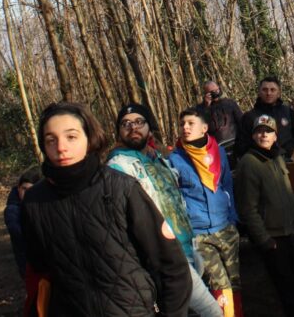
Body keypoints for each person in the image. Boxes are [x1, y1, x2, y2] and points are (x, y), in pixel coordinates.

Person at [20, 101, 190, 317]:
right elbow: (39, 269)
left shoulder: (122, 188)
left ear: (89, 138)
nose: (61, 147)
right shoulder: (34, 202)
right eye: (51, 140)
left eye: (71, 137)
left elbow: (172, 266)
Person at [107, 103, 221, 317]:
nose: (133, 127)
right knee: (213, 313)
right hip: (166, 258)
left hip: (189, 249)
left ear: (149, 128)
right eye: (126, 124)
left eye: (139, 122)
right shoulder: (117, 167)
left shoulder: (159, 160)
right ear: (119, 132)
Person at [169, 107, 244, 317]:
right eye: (182, 124)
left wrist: (232, 219)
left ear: (204, 128)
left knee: (235, 282)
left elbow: (227, 185)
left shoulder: (218, 152)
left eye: (190, 123)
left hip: (225, 228)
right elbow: (174, 198)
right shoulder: (175, 159)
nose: (185, 128)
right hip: (200, 234)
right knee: (219, 285)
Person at [235, 114, 294, 316]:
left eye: (268, 131)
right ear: (253, 135)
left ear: (275, 136)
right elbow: (248, 208)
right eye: (259, 131)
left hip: (287, 231)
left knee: (293, 283)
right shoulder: (249, 163)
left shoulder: (277, 157)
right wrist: (264, 240)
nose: (264, 135)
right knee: (285, 289)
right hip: (271, 237)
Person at [235, 76, 294, 160]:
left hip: (287, 160)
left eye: (273, 90)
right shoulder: (249, 117)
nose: (268, 93)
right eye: (264, 90)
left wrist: (285, 150)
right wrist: (263, 153)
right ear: (259, 92)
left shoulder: (288, 112)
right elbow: (240, 145)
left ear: (278, 93)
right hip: (260, 163)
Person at [4, 167, 41, 280]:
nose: (26, 193)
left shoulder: (40, 204)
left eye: (31, 189)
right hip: (27, 262)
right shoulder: (13, 210)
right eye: (24, 189)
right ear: (18, 188)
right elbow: (17, 231)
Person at [197, 80, 245, 157]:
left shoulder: (229, 103)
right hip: (216, 149)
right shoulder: (201, 109)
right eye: (212, 92)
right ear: (207, 94)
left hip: (235, 142)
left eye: (217, 90)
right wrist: (207, 107)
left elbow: (242, 122)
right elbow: (201, 128)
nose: (216, 93)